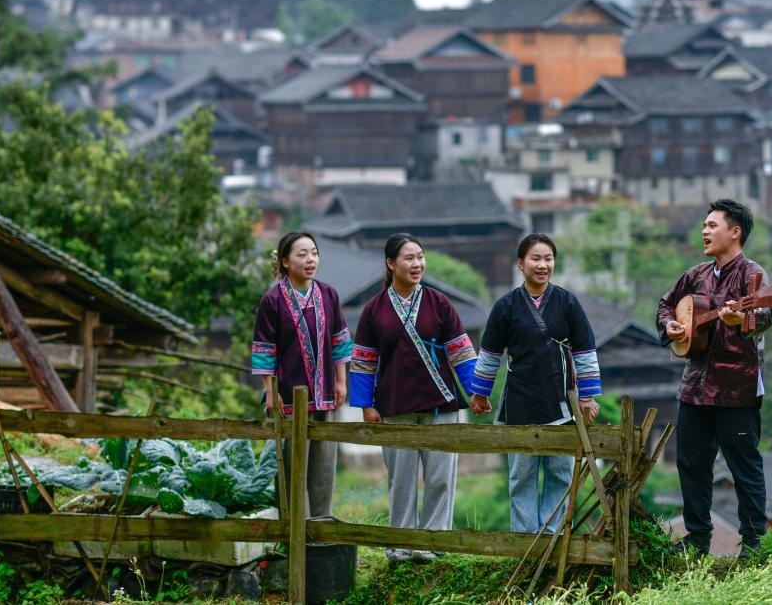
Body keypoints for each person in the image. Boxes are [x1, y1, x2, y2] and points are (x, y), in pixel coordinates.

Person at [349, 233, 478, 565]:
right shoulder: (374, 310)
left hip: (441, 407)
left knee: (439, 479)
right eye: (409, 258)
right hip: (395, 407)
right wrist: (366, 405)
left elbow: (462, 352)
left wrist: (476, 391)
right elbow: (364, 361)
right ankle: (400, 545)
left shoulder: (439, 303)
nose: (417, 264)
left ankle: (432, 544)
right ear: (391, 264)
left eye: (420, 256)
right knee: (402, 480)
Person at [657, 199, 772, 559]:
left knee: (744, 466)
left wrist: (743, 320)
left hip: (736, 387)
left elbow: (767, 311)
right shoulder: (696, 275)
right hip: (694, 385)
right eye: (704, 226)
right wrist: (671, 325)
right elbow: (665, 305)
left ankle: (753, 545)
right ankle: (696, 540)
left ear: (735, 231)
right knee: (691, 464)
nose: (704, 232)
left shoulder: (753, 274)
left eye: (712, 225)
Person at [469, 233, 601, 534]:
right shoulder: (505, 307)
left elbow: (585, 350)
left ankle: (551, 537)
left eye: (548, 259)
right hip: (520, 401)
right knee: (522, 476)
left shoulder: (568, 303)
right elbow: (489, 353)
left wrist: (588, 396)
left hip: (561, 401)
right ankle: (526, 540)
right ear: (520, 263)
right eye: (535, 258)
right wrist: (480, 394)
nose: (542, 265)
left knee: (560, 474)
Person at [251, 231, 350, 519]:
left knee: (323, 467)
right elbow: (264, 349)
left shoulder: (328, 294)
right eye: (302, 254)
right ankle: (296, 531)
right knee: (294, 469)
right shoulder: (272, 300)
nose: (311, 260)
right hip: (288, 399)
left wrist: (341, 380)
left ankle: (320, 528)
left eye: (314, 253)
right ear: (285, 261)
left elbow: (340, 339)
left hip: (325, 395)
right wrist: (270, 393)